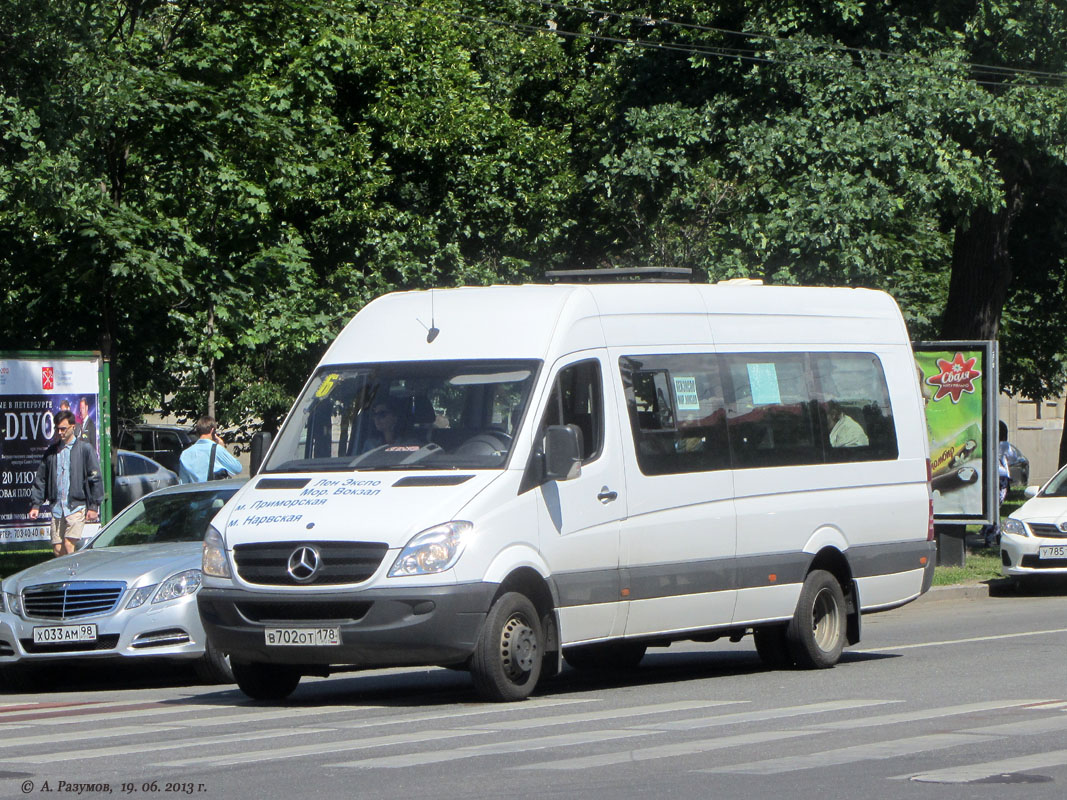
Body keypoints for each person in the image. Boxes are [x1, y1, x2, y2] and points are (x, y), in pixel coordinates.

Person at [29, 410, 103, 557]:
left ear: (73, 427)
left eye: (63, 429)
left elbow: (95, 477)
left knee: (69, 544)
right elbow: (41, 478)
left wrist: (94, 506)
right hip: (57, 507)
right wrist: (36, 504)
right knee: (57, 549)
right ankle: (67, 575)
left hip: (76, 506)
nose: (60, 432)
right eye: (57, 429)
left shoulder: (85, 449)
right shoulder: (51, 452)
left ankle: (76, 575)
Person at [178, 416, 242, 483]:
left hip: (195, 492)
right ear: (212, 430)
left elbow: (183, 483)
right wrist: (222, 447)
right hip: (214, 491)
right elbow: (237, 468)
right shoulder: (217, 449)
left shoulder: (185, 454)